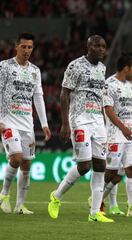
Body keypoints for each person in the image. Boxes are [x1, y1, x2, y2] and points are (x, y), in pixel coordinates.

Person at [47, 35, 114, 223]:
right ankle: (56, 196)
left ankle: (94, 213)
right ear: (89, 47)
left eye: (104, 46)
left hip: (98, 121)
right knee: (84, 166)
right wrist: (65, 122)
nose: (102, 49)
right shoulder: (75, 66)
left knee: (101, 165)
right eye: (98, 46)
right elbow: (64, 93)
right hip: (80, 119)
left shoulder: (102, 68)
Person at [0, 32, 51, 214]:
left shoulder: (35, 71)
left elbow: (38, 97)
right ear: (16, 46)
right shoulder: (4, 67)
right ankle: (4, 194)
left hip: (27, 123)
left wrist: (44, 124)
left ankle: (20, 205)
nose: (27, 50)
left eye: (30, 47)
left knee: (26, 165)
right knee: (16, 157)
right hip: (7, 121)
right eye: (24, 47)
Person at [101, 54, 132, 218]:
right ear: (126, 68)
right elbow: (108, 109)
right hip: (115, 134)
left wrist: (131, 130)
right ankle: (97, 200)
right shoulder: (109, 84)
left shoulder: (129, 85)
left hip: (131, 134)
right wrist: (123, 128)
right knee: (111, 173)